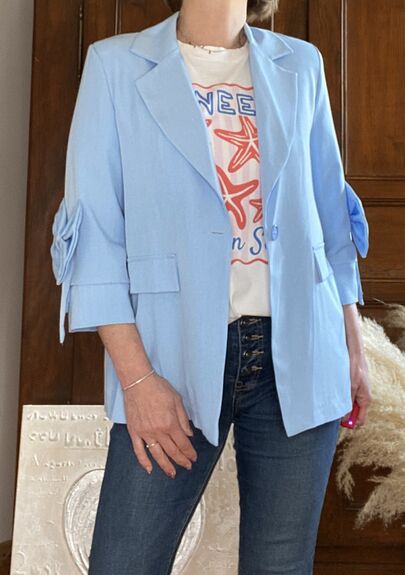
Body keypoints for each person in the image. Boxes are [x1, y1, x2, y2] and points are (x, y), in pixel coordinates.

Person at [50, 0, 372, 572]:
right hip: (169, 358)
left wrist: (353, 343)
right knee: (125, 562)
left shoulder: (301, 64)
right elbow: (95, 236)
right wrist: (137, 380)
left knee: (280, 566)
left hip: (301, 351)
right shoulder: (115, 66)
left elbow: (329, 218)